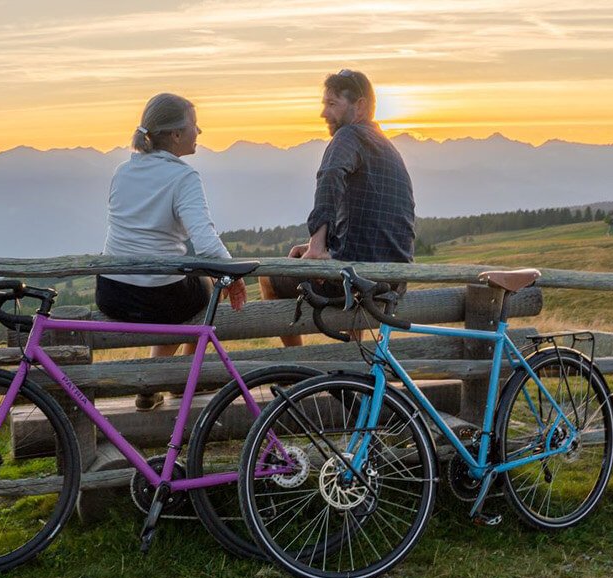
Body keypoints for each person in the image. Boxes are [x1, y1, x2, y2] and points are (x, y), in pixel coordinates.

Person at [97, 93, 247, 409]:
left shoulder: (123, 171)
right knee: (202, 288)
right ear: (176, 134)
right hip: (159, 299)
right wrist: (235, 276)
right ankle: (177, 378)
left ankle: (152, 383)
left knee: (176, 288)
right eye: (194, 125)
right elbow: (205, 244)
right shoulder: (183, 176)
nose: (200, 132)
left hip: (111, 292)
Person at [261, 69, 415, 346]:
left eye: (332, 104)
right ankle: (358, 373)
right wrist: (317, 245)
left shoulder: (349, 136)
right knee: (343, 282)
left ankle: (294, 370)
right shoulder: (385, 145)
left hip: (357, 276)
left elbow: (330, 176)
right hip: (393, 279)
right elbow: (366, 223)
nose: (323, 112)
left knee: (269, 280)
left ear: (360, 106)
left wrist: (317, 246)